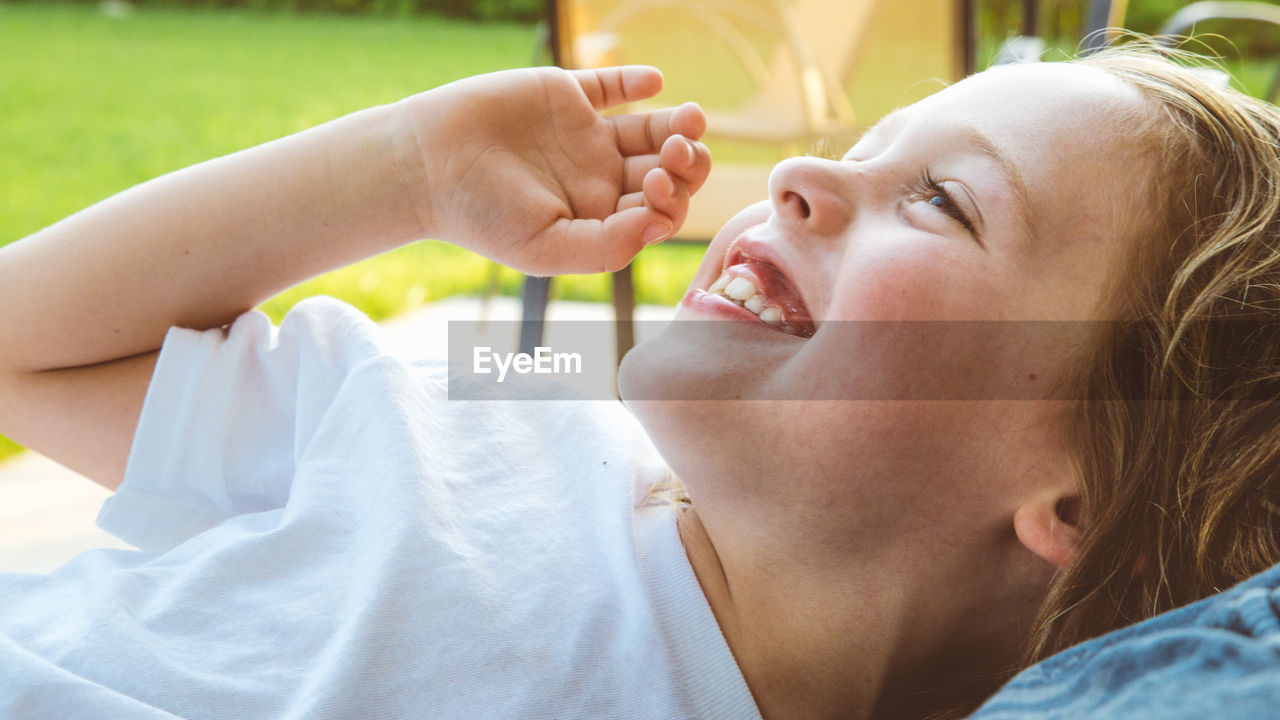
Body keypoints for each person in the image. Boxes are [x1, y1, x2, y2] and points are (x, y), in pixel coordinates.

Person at [0, 41, 1277, 720]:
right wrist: (407, 167)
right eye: (860, 150)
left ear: (1083, 498)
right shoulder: (496, 409)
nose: (798, 180)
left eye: (938, 202)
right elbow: (25, 347)